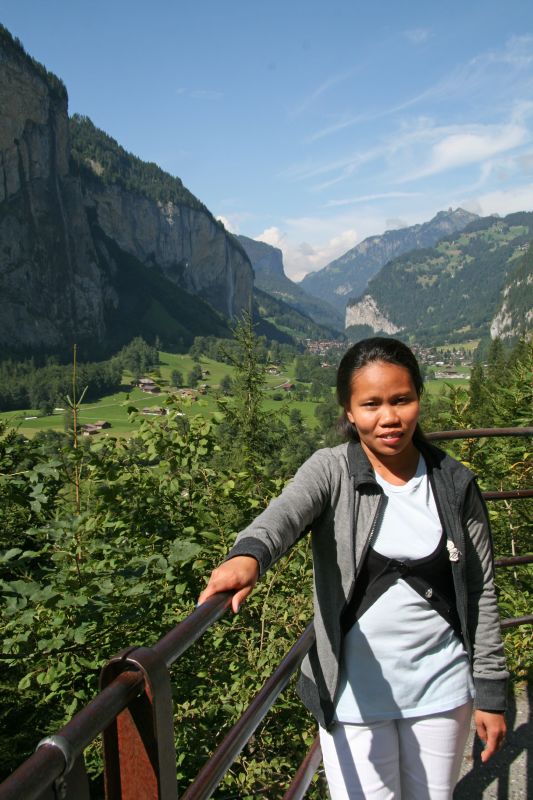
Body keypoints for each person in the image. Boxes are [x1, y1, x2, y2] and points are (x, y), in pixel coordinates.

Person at [199, 337, 508, 799]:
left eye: (402, 399)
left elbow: (481, 589)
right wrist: (250, 555)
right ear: (348, 410)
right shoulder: (331, 470)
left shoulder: (453, 483)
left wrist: (491, 692)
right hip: (352, 698)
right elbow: (285, 513)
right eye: (371, 404)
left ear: (419, 398)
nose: (389, 417)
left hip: (442, 692)